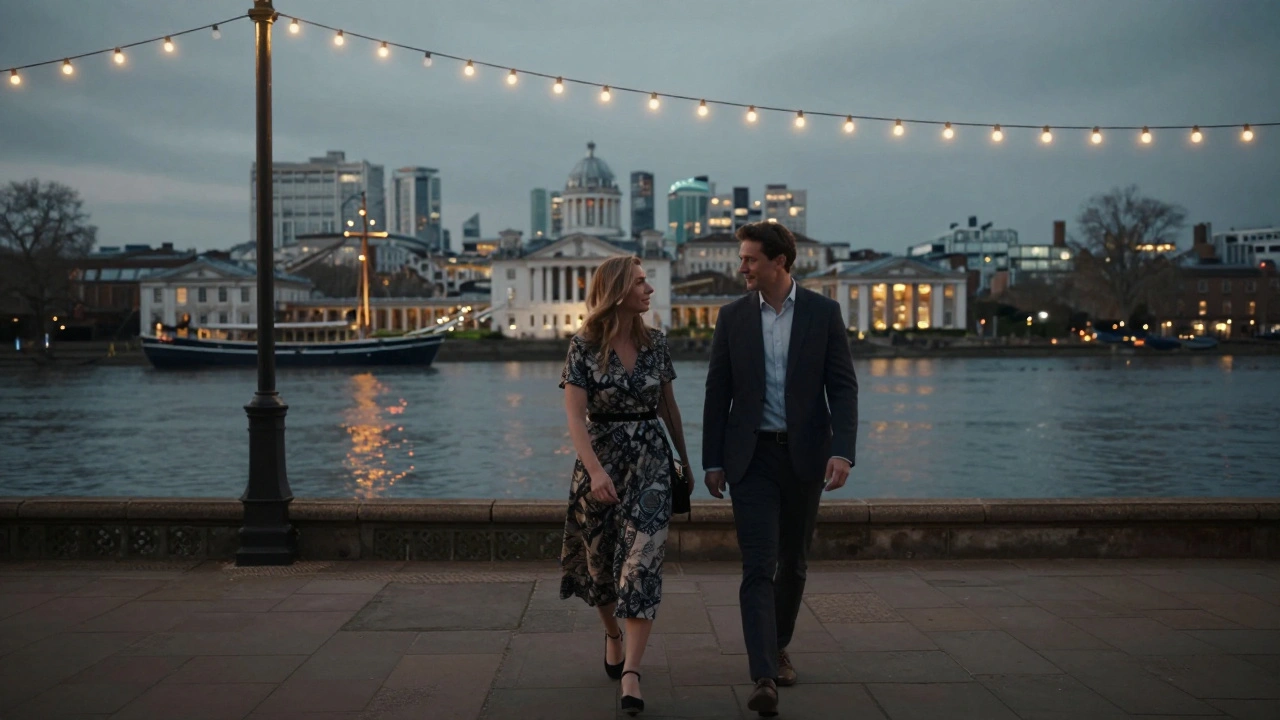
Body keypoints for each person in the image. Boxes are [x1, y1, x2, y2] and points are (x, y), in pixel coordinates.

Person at [702, 221, 859, 717]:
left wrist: (843, 451)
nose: (741, 267)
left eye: (750, 259)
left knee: (793, 563)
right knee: (756, 565)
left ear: (779, 262)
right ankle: (764, 673)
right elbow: (716, 391)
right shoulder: (731, 318)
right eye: (742, 258)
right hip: (750, 459)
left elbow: (844, 388)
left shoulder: (823, 313)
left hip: (806, 455)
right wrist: (712, 460)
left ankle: (779, 643)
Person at [560, 255, 693, 716]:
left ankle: (632, 672)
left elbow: (669, 408)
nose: (649, 289)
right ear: (618, 290)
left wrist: (685, 464)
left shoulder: (656, 343)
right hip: (601, 462)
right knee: (600, 567)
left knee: (642, 562)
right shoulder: (583, 345)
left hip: (652, 462)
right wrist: (595, 471)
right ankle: (612, 633)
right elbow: (575, 417)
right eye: (640, 282)